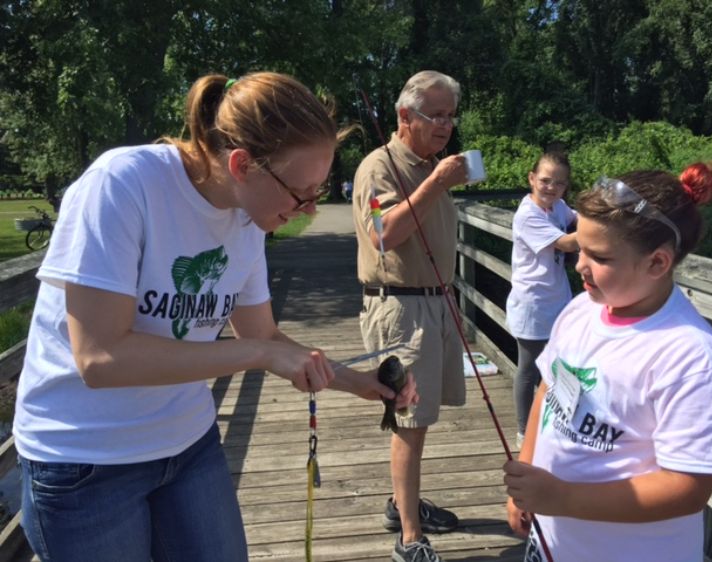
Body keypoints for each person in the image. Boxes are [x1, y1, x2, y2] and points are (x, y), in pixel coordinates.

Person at [12, 72, 417, 562]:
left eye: (321, 190)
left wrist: (361, 383)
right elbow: (100, 358)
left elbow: (263, 333)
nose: (310, 210)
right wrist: (260, 354)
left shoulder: (247, 218)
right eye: (301, 193)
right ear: (244, 164)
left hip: (187, 445)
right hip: (85, 462)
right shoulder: (123, 184)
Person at [503, 164, 712, 562]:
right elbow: (549, 393)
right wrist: (528, 473)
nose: (580, 264)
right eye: (580, 248)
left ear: (657, 263)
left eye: (598, 256)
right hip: (551, 543)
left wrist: (559, 496)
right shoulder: (580, 310)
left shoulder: (693, 360)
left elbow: (687, 489)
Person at [352, 70, 468, 562]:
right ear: (405, 116)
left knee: (418, 422)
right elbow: (384, 234)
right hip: (401, 309)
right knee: (408, 423)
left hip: (436, 302)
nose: (445, 125)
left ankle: (402, 504)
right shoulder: (379, 167)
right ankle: (409, 537)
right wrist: (437, 184)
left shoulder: (431, 164)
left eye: (450, 116)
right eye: (435, 115)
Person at [505, 151, 578, 449]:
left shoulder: (558, 207)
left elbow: (576, 218)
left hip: (559, 301)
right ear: (532, 179)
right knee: (529, 369)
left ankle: (553, 424)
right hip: (533, 304)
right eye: (545, 180)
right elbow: (566, 241)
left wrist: (604, 212)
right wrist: (603, 231)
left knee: (560, 368)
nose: (551, 187)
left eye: (559, 183)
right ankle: (525, 432)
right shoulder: (527, 215)